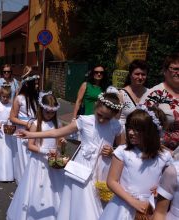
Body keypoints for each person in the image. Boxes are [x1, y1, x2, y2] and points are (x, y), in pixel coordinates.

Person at [17, 92, 125, 220]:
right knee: (82, 203)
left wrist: (112, 151)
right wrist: (31, 135)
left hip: (103, 168)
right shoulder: (84, 121)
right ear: (96, 106)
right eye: (100, 115)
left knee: (99, 201)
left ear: (114, 116)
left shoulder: (117, 126)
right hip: (82, 168)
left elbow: (123, 149)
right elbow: (56, 132)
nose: (102, 120)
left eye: (107, 118)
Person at [100, 106, 172, 220]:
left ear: (150, 132)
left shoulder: (164, 156)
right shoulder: (123, 152)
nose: (130, 132)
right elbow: (112, 181)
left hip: (149, 208)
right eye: (129, 128)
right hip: (123, 205)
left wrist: (159, 188)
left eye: (137, 130)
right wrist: (134, 202)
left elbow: (169, 182)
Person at [7, 91, 65, 220]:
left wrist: (61, 143)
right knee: (36, 187)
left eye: (52, 112)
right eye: (47, 111)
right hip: (38, 162)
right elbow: (30, 146)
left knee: (54, 189)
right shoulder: (35, 124)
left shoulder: (58, 125)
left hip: (52, 162)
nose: (50, 115)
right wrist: (45, 151)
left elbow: (60, 146)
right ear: (41, 109)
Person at [142, 53, 179, 151]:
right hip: (160, 153)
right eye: (175, 69)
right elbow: (139, 122)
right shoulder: (155, 93)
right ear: (165, 71)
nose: (178, 72)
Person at [9, 74, 40, 184]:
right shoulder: (19, 98)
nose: (37, 86)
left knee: (33, 154)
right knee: (24, 155)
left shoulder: (37, 97)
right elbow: (12, 117)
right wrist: (25, 123)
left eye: (37, 83)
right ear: (27, 85)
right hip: (23, 129)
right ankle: (24, 181)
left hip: (34, 128)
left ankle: (33, 180)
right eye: (34, 84)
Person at [118, 60, 149, 126]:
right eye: (137, 74)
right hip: (124, 133)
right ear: (130, 75)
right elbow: (115, 119)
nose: (140, 77)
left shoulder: (150, 93)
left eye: (143, 74)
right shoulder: (121, 94)